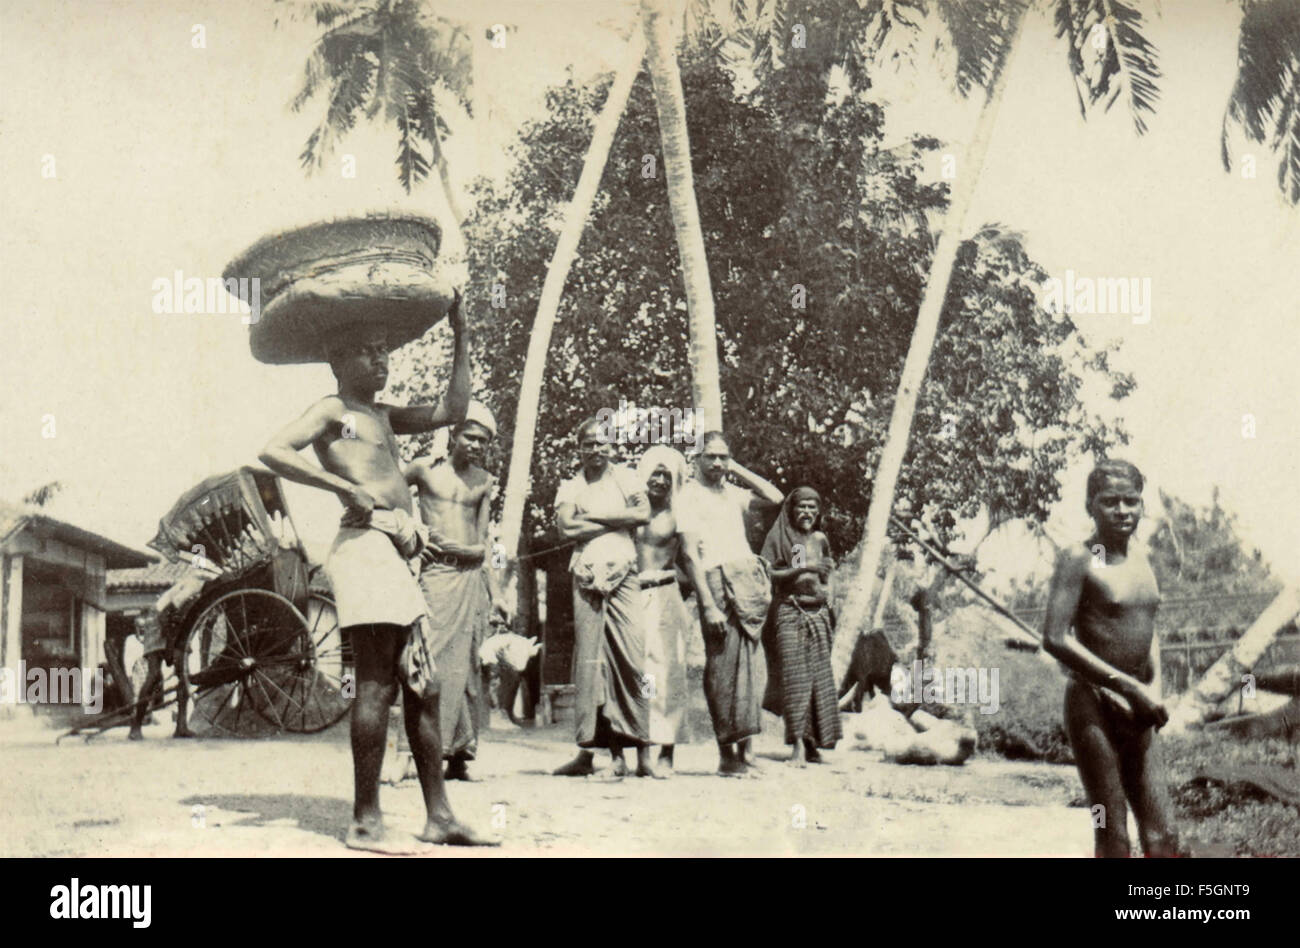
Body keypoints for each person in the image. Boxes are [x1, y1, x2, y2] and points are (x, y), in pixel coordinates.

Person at [258, 293, 494, 851]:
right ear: (339, 362)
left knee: (425, 684)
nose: (380, 361)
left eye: (384, 351)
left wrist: (462, 334)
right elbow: (273, 449)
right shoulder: (332, 412)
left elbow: (451, 411)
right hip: (364, 546)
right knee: (377, 682)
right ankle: (365, 821)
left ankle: (440, 816)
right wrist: (344, 487)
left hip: (397, 552)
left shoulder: (383, 417)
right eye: (367, 352)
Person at [1042, 459, 1181, 857]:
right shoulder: (1080, 558)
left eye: (1131, 501)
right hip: (1094, 705)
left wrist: (1153, 688)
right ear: (1090, 506)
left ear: (1142, 506)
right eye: (1110, 502)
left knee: (1163, 837)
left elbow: (1148, 625)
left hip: (1137, 708)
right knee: (1111, 831)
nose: (1122, 511)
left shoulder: (1141, 559)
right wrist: (1126, 686)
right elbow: (1054, 637)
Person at [406, 401, 510, 781]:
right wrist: (413, 539)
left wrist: (497, 592)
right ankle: (414, 755)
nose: (476, 445)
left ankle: (458, 756)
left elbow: (486, 539)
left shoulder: (484, 481)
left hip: (471, 577)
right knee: (429, 661)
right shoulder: (423, 470)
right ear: (453, 434)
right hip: (436, 574)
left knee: (468, 666)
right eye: (470, 436)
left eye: (483, 440)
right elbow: (391, 499)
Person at [552, 417, 656, 778]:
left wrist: (592, 518)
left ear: (612, 447)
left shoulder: (625, 477)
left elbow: (642, 513)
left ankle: (639, 750)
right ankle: (596, 754)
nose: (596, 450)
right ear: (578, 448)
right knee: (593, 661)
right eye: (588, 444)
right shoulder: (570, 486)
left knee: (631, 657)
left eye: (602, 443)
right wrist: (617, 519)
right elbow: (566, 528)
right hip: (585, 573)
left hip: (624, 572)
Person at [676, 431, 783, 776]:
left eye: (723, 456)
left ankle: (747, 752)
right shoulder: (688, 496)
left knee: (751, 669)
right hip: (715, 581)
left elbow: (776, 497)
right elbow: (690, 555)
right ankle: (727, 756)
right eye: (711, 456)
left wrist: (735, 468)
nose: (718, 463)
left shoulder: (731, 493)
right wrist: (707, 604)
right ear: (696, 459)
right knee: (722, 667)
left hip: (746, 580)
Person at [760, 486, 842, 765]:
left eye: (812, 507)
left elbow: (828, 569)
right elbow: (767, 571)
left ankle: (812, 743)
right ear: (791, 510)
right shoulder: (782, 537)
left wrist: (829, 593)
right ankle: (796, 745)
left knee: (819, 679)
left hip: (818, 613)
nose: (806, 512)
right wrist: (802, 569)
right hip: (789, 611)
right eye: (801, 507)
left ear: (818, 512)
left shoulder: (820, 539)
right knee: (795, 679)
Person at [634, 444, 693, 773]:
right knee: (641, 673)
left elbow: (694, 559)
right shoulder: (631, 511)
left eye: (666, 475)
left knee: (669, 673)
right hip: (633, 595)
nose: (659, 480)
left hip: (666, 594)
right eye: (654, 473)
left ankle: (667, 751)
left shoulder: (678, 516)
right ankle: (641, 747)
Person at [127, 568, 210, 740]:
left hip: (177, 628)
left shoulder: (203, 588)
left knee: (183, 675)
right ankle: (135, 726)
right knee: (154, 675)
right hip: (159, 623)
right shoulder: (194, 583)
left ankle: (181, 726)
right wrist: (171, 648)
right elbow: (170, 613)